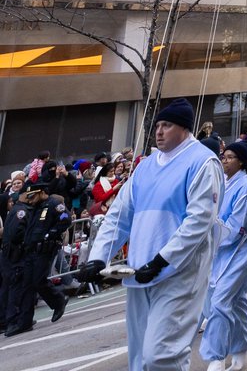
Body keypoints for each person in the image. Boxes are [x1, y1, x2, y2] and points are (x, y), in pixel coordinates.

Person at [78, 99, 224, 371]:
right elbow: (120, 216)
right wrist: (98, 258)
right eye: (157, 125)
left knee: (162, 354)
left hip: (179, 272)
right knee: (139, 359)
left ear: (183, 128)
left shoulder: (203, 162)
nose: (159, 131)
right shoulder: (145, 166)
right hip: (138, 271)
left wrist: (162, 260)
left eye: (166, 125)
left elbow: (199, 221)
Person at [200, 142, 247, 371]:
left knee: (219, 304)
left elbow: (234, 227)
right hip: (223, 250)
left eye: (230, 157)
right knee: (237, 304)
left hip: (241, 251)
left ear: (241, 161)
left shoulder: (246, 189)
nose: (225, 160)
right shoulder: (224, 184)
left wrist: (208, 234)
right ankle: (241, 357)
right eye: (224, 156)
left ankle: (216, 358)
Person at [1, 170, 70, 336]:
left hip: (45, 248)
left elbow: (65, 220)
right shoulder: (35, 207)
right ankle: (24, 321)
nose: (30, 198)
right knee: (27, 285)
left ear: (40, 193)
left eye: (33, 195)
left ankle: (58, 300)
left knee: (38, 280)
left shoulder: (53, 203)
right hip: (32, 250)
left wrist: (50, 235)